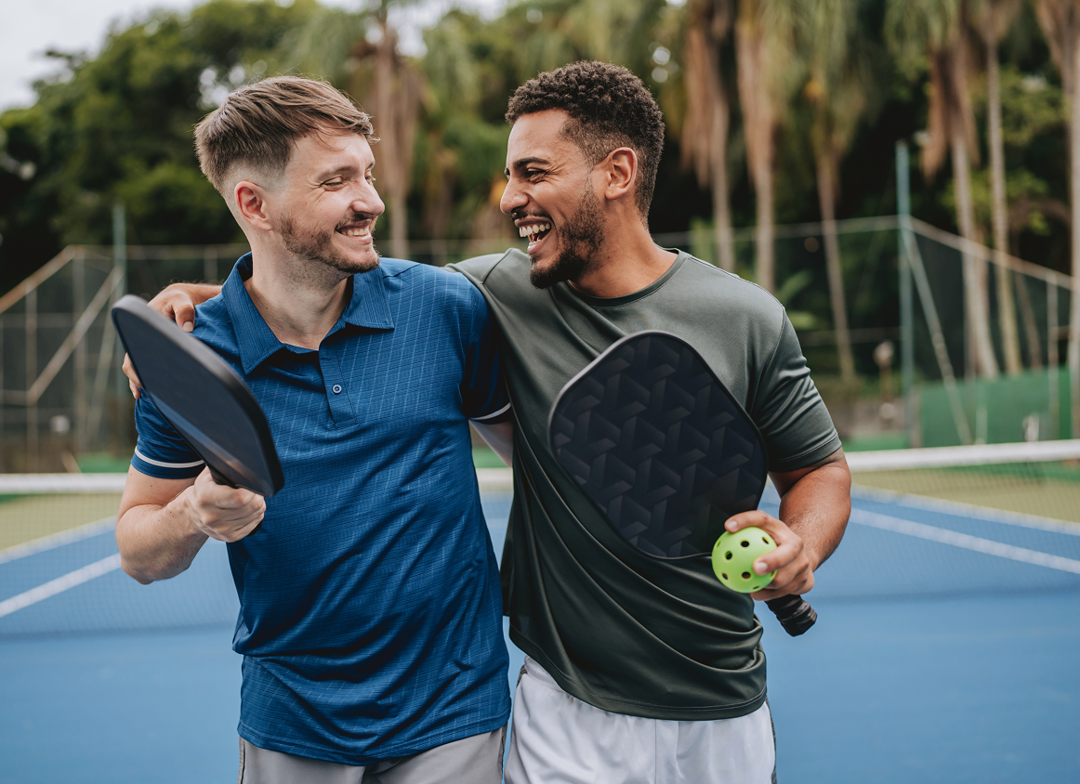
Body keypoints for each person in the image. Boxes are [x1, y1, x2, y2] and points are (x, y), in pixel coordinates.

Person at [138, 62, 851, 783]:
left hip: (719, 690)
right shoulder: (491, 294)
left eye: (533, 173)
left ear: (617, 172)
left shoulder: (744, 317)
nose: (512, 197)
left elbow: (817, 470)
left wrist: (803, 547)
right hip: (560, 703)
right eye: (511, 174)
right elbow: (311, 278)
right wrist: (200, 310)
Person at [115, 75, 513, 784]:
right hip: (291, 721)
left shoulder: (448, 308)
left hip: (455, 709)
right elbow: (140, 552)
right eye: (336, 181)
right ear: (253, 204)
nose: (371, 201)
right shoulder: (187, 358)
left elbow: (536, 457)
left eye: (366, 173)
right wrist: (193, 511)